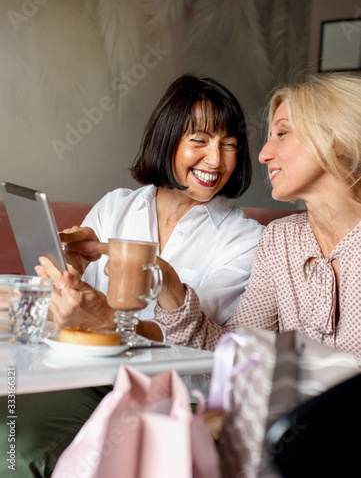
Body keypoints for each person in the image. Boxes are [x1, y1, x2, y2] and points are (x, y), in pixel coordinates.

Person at [0, 73, 264, 478]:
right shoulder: (116, 207)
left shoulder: (244, 240)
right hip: (79, 374)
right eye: (200, 140)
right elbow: (67, 305)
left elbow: (192, 340)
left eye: (229, 144)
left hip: (163, 391)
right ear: (167, 138)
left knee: (20, 451)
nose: (216, 160)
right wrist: (68, 276)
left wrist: (106, 320)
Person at [153, 72, 361, 368]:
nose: (263, 154)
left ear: (338, 141)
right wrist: (171, 290)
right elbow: (236, 357)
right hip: (290, 413)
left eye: (282, 133)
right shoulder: (281, 240)